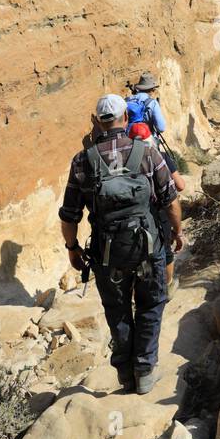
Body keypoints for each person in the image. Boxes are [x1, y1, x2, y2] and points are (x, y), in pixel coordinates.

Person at [59, 94, 182, 394]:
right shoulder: (147, 154)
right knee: (151, 304)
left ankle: (126, 374)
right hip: (147, 246)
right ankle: (144, 370)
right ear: (125, 118)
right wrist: (177, 232)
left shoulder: (82, 161)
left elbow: (69, 215)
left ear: (99, 122)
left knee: (117, 310)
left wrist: (72, 249)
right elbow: (170, 200)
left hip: (106, 253)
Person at [128, 120, 185, 296]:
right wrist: (179, 230)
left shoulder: (121, 159)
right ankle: (167, 287)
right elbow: (180, 185)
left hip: (130, 214)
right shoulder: (159, 156)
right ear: (150, 138)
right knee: (166, 250)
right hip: (158, 212)